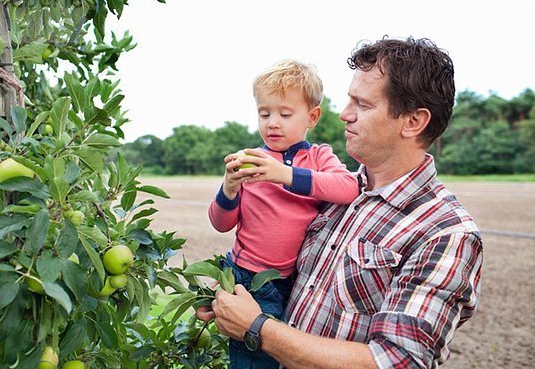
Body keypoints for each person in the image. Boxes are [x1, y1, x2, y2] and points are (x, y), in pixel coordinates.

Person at [199, 37, 483, 369]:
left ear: (413, 122)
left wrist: (258, 328)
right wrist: (234, 299)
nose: (344, 114)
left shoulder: (446, 233)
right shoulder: (334, 194)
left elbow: (397, 361)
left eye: (362, 105)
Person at [208, 59, 360, 368]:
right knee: (253, 360)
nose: (272, 123)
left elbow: (348, 187)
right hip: (248, 276)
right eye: (264, 113)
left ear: (312, 117)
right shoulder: (250, 160)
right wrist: (229, 188)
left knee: (289, 354)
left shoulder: (318, 156)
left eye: (285, 114)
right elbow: (221, 223)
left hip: (292, 282)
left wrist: (284, 174)